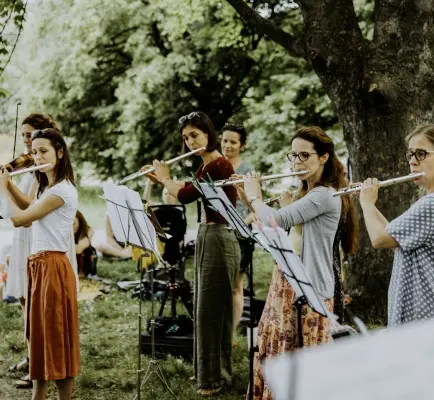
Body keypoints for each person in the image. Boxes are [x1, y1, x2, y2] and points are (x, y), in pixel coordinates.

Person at [239, 126, 357, 400]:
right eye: (293, 156)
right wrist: (249, 198)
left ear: (324, 157)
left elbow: (275, 220)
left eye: (305, 155)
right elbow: (281, 231)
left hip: (309, 289)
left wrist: (255, 195)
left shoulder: (324, 194)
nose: (297, 162)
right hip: (287, 281)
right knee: (275, 350)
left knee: (300, 362)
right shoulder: (306, 192)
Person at [148, 111, 240, 396]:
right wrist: (161, 179)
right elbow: (186, 190)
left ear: (208, 134)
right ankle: (210, 372)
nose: (189, 141)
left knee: (210, 310)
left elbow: (186, 196)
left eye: (194, 135)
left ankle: (213, 377)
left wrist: (165, 179)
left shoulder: (219, 165)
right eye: (186, 137)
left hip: (219, 236)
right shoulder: (205, 167)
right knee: (207, 307)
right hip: (208, 235)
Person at [359, 124, 434, 327]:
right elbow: (393, 237)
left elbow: (379, 239)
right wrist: (367, 202)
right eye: (411, 154)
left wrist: (367, 204)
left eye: (421, 154)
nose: (412, 161)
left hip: (426, 314)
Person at [0, 127, 80, 400]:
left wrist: (1, 192)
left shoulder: (63, 191)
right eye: (34, 152)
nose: (37, 157)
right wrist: (9, 184)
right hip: (39, 266)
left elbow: (22, 219)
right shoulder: (48, 188)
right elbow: (29, 206)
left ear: (60, 152)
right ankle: (39, 396)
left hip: (53, 267)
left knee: (56, 337)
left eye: (43, 151)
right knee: (38, 336)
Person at [4, 113, 59, 389]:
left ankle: (39, 363)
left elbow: (29, 206)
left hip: (33, 236)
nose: (26, 142)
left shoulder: (43, 168)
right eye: (24, 135)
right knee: (26, 302)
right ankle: (31, 356)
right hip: (22, 235)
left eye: (30, 135)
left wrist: (8, 186)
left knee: (36, 306)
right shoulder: (25, 164)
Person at [220, 122, 255, 337]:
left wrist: (242, 224)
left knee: (235, 285)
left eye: (233, 142)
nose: (228, 145)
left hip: (241, 235)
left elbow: (255, 207)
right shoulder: (215, 166)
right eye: (225, 141)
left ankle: (231, 333)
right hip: (219, 232)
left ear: (242, 145)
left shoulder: (247, 171)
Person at [73, 210, 97, 278]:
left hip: (84, 258)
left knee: (89, 250)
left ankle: (84, 273)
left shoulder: (88, 230)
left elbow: (79, 249)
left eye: (74, 223)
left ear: (80, 221)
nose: (71, 227)